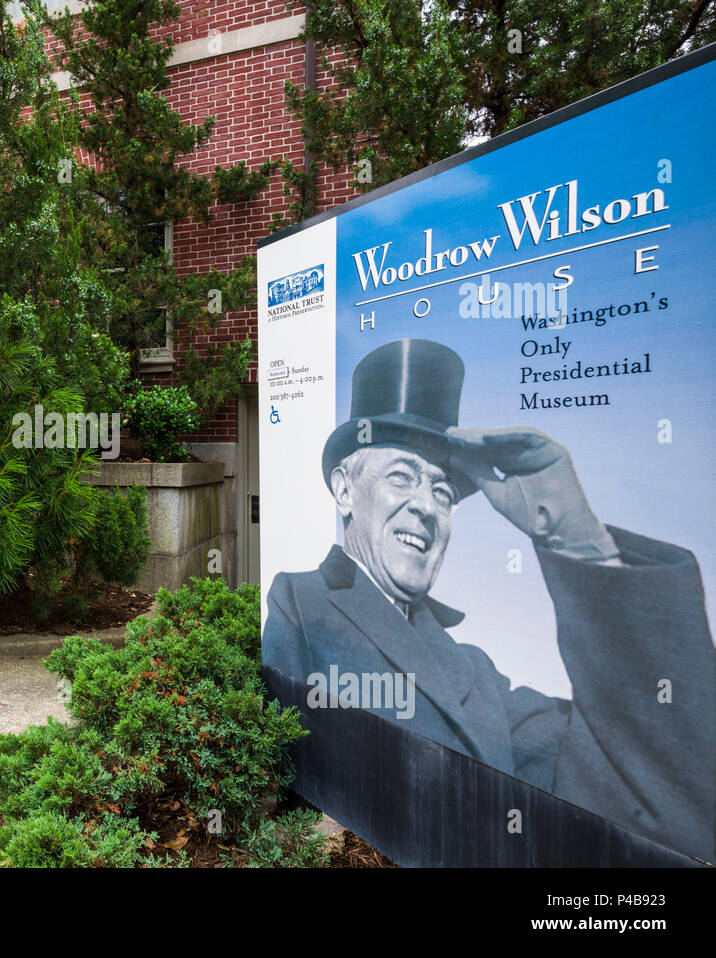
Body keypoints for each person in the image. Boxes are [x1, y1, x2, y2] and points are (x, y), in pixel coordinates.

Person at [262, 338, 716, 860]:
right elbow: (281, 795)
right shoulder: (302, 601)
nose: (425, 507)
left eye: (441, 491)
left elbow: (648, 782)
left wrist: (574, 533)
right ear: (344, 489)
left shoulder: (475, 671)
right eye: (401, 477)